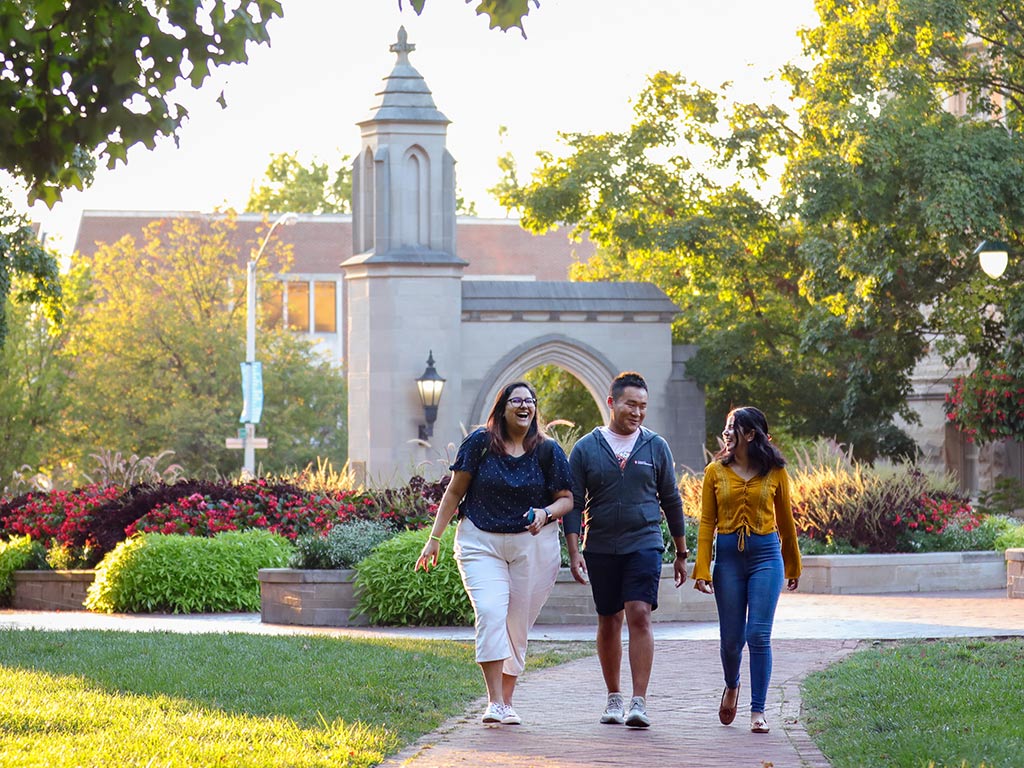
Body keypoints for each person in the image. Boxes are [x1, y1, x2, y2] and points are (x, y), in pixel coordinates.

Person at [415, 381, 573, 726]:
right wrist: (434, 538)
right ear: (502, 407)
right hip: (480, 541)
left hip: (532, 546)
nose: (524, 406)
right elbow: (455, 492)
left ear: (535, 409)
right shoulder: (480, 443)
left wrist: (546, 513)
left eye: (530, 401)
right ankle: (495, 702)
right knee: (489, 611)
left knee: (517, 626)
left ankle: (509, 700)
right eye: (516, 400)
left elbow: (566, 499)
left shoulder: (548, 450)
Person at [564, 371, 688, 729]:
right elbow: (573, 503)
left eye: (643, 406)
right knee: (609, 619)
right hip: (601, 545)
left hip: (644, 541)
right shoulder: (587, 448)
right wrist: (574, 553)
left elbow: (671, 500)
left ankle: (639, 701)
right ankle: (614, 697)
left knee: (639, 613)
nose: (637, 412)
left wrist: (681, 553)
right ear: (612, 403)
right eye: (630, 404)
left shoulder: (655, 446)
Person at [693, 406, 801, 734]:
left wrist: (793, 563)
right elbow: (707, 522)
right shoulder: (715, 471)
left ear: (750, 434)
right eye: (726, 427)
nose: (726, 433)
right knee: (731, 641)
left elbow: (786, 522)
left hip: (766, 557)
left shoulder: (775, 472)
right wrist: (702, 567)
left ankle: (758, 710)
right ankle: (731, 683)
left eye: (732, 427)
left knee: (757, 634)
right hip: (727, 560)